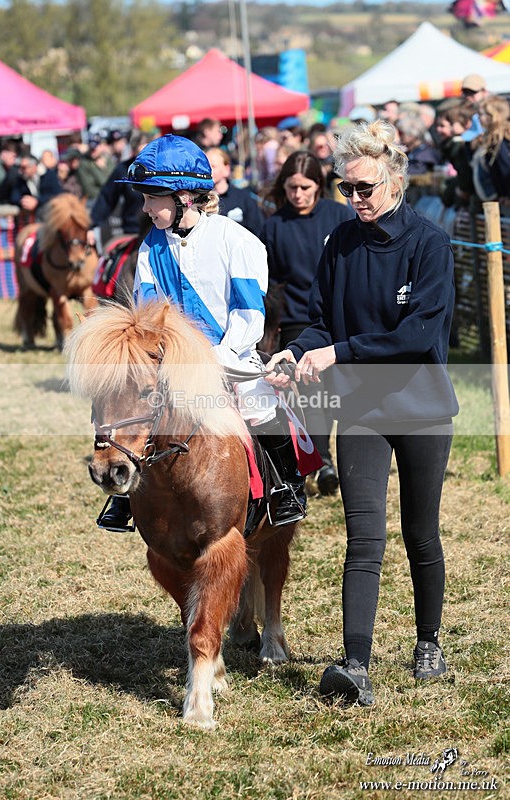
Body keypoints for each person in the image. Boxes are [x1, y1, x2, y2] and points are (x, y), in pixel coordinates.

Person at [265, 120, 458, 706]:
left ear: (395, 180)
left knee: (421, 533)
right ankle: (355, 663)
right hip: (363, 410)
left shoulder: (430, 243)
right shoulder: (341, 243)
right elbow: (321, 318)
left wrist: (337, 353)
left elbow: (419, 334)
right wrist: (295, 351)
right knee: (363, 537)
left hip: (422, 407)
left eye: (366, 188)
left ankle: (429, 641)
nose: (357, 200)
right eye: (348, 190)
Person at [97, 134, 307, 533]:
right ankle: (123, 497)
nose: (144, 208)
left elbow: (248, 314)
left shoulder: (235, 240)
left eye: (151, 198)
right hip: (170, 363)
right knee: (129, 404)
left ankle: (286, 486)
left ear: (184, 197)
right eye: (142, 198)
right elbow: (147, 315)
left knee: (257, 402)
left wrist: (216, 360)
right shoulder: (149, 248)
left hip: (229, 353)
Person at [260, 151, 355, 496]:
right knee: (314, 393)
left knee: (341, 393)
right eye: (291, 187)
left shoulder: (339, 216)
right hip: (298, 320)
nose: (297, 194)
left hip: (342, 317)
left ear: (319, 185)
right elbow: (268, 281)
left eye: (305, 186)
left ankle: (343, 460)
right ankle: (323, 462)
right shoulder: (273, 225)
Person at [88, 130, 152, 250]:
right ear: (134, 150)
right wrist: (92, 226)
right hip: (133, 232)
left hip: (161, 230)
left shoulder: (163, 169)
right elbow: (106, 197)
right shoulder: (123, 170)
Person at [205, 146, 265, 236]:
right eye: (205, 166)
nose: (208, 170)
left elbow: (258, 230)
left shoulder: (244, 198)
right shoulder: (199, 199)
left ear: (226, 169)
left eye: (213, 166)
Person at [9, 153, 64, 219]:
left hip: (50, 215)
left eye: (24, 167)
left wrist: (37, 201)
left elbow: (57, 194)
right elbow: (14, 196)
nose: (21, 170)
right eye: (20, 167)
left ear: (34, 166)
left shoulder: (49, 176)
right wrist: (24, 201)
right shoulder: (21, 178)